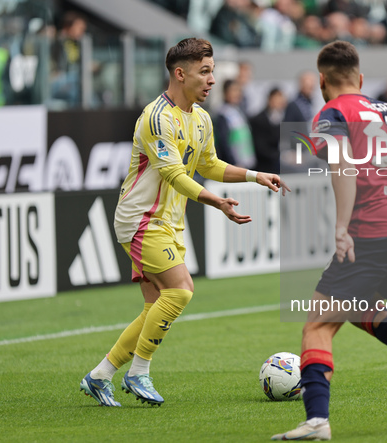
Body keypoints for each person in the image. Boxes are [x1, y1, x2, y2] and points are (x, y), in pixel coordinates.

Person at [80, 38, 289, 407]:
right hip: (141, 219)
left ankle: (100, 376)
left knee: (153, 307)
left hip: (167, 222)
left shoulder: (201, 118)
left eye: (212, 72)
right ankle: (138, 373)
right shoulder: (156, 117)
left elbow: (209, 165)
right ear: (180, 73)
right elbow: (175, 174)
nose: (211, 80)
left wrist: (256, 176)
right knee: (180, 290)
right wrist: (215, 202)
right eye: (204, 71)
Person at [272, 41, 387, 440]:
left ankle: (316, 421)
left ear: (322, 82)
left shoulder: (332, 113)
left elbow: (343, 166)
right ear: (361, 79)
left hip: (376, 230)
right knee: (357, 304)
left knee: (317, 324)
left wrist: (342, 227)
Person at [214, 79, 257, 168]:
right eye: (233, 90)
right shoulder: (223, 114)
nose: (237, 94)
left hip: (246, 162)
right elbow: (224, 142)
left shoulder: (239, 112)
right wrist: (232, 162)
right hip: (235, 165)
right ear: (225, 93)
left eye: (238, 90)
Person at [250, 87, 287, 173]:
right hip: (264, 167)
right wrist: (280, 156)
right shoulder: (258, 120)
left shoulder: (283, 118)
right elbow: (260, 147)